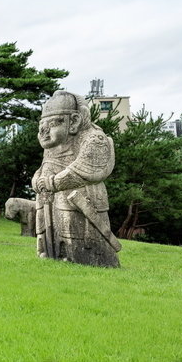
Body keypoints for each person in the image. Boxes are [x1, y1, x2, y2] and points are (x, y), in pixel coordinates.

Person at [32, 91, 121, 267]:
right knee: (49, 224)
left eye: (52, 123)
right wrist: (37, 179)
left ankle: (84, 257)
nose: (43, 130)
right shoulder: (54, 144)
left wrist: (53, 182)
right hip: (50, 198)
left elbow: (86, 169)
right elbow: (45, 166)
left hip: (82, 197)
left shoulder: (95, 138)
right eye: (41, 124)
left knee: (74, 227)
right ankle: (51, 250)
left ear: (74, 121)